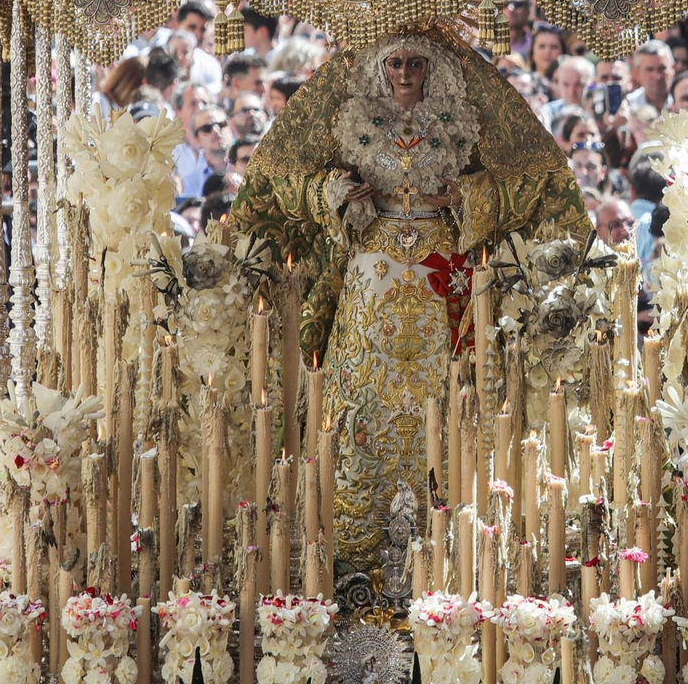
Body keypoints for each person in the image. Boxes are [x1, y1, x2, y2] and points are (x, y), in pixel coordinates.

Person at [233, 33, 590, 575]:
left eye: (415, 63)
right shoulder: (352, 117)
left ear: (431, 69)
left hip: (438, 278)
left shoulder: (455, 119)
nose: (405, 73)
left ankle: (448, 532)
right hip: (369, 277)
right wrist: (333, 193)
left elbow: (523, 188)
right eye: (395, 63)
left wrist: (466, 198)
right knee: (360, 399)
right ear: (381, 69)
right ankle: (352, 535)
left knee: (446, 394)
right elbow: (287, 181)